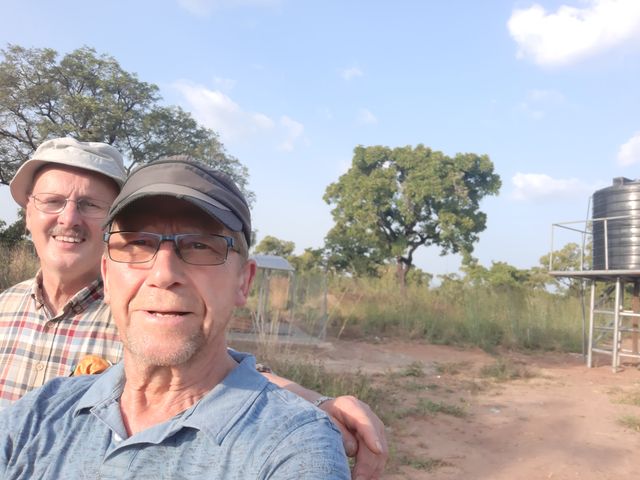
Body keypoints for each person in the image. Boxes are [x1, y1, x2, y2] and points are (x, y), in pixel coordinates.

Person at [0, 137, 387, 478]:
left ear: (244, 281)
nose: (163, 274)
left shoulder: (288, 448)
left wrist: (318, 405)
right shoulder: (38, 405)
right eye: (138, 243)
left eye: (200, 245)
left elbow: (237, 377)